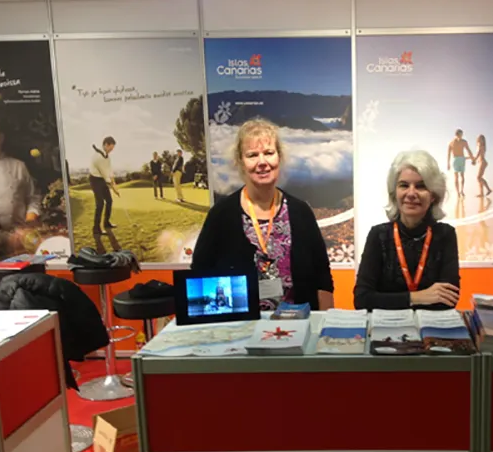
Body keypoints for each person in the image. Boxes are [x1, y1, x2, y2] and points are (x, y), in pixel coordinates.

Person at [192, 117, 334, 311]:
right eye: (252, 155)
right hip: (240, 326)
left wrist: (324, 322)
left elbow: (322, 277)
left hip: (298, 323)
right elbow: (199, 274)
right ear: (240, 162)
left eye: (269, 153)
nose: (262, 162)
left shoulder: (301, 212)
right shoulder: (221, 215)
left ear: (279, 157)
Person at [354, 150, 461, 311]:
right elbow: (362, 299)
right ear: (395, 193)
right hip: (386, 325)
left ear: (433, 195)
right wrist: (416, 297)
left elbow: (449, 299)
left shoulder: (445, 235)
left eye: (421, 186)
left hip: (430, 325)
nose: (411, 193)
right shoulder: (379, 235)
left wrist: (388, 300)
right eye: (404, 185)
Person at [0, 117, 41, 257]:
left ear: (1, 138)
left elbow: (33, 198)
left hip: (19, 239)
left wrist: (29, 222)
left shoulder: (18, 166)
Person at [89, 137, 120, 235]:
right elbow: (105, 174)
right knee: (100, 204)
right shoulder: (98, 157)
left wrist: (114, 184)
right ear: (106, 145)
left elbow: (110, 171)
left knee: (109, 201)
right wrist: (113, 187)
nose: (112, 150)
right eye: (111, 148)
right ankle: (96, 228)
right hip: (95, 179)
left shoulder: (107, 157)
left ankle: (106, 223)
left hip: (102, 179)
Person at [447, 129, 475, 197]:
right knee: (457, 177)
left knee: (461, 176)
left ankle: (461, 191)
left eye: (461, 135)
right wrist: (448, 163)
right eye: (460, 134)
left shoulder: (463, 142)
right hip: (456, 159)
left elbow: (469, 150)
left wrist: (473, 159)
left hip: (460, 159)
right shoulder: (451, 143)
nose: (461, 136)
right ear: (456, 134)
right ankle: (458, 192)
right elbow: (448, 154)